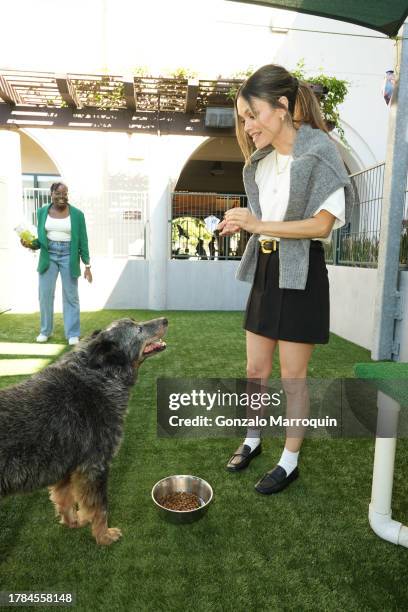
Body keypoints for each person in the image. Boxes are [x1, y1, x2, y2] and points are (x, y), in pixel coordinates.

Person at [218, 64, 353, 495]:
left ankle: (290, 460)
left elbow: (321, 226)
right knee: (255, 369)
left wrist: (258, 225)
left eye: (252, 115)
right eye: (243, 119)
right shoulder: (261, 163)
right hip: (266, 269)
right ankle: (253, 439)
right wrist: (246, 223)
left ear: (281, 107)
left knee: (294, 375)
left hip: (303, 272)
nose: (248, 126)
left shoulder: (320, 151)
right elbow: (266, 221)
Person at [21, 182, 92, 345]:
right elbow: (40, 240)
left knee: (71, 296)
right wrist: (30, 244)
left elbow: (83, 240)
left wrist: (87, 265)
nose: (62, 197)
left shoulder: (77, 214)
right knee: (45, 295)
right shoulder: (42, 212)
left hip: (69, 255)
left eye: (65, 194)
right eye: (58, 193)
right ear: (51, 193)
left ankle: (73, 333)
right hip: (49, 255)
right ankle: (45, 330)